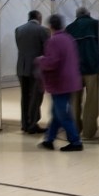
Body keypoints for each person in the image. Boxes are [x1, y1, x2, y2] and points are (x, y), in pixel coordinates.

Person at [35, 14, 83, 152]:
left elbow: (52, 62)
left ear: (50, 26)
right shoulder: (69, 38)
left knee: (62, 114)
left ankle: (75, 141)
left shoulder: (53, 41)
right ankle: (49, 140)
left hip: (60, 83)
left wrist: (40, 61)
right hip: (71, 81)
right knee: (56, 113)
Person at [65, 7, 99, 139]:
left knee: (74, 101)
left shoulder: (69, 28)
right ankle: (89, 132)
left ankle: (75, 130)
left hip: (74, 70)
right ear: (89, 14)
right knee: (92, 101)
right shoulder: (96, 24)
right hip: (92, 67)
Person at [15, 10, 49, 134]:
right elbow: (47, 49)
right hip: (36, 69)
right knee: (35, 97)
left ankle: (25, 123)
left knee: (25, 97)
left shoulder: (18, 29)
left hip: (21, 68)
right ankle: (32, 124)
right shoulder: (42, 30)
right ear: (39, 17)